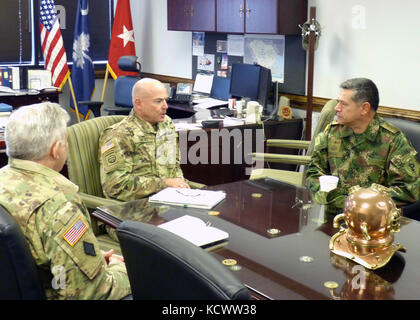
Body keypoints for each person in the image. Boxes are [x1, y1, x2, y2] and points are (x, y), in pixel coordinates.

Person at [0, 102, 131, 300]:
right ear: (56, 149)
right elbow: (88, 293)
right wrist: (122, 269)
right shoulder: (60, 205)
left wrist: (94, 263)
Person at [306, 78, 420, 211]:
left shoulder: (393, 140)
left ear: (364, 108)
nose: (336, 108)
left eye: (343, 104)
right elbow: (313, 171)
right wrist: (329, 195)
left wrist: (359, 201)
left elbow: (409, 190)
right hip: (332, 213)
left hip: (373, 218)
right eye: (338, 102)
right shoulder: (333, 132)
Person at [99, 78, 192, 201]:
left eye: (165, 100)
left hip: (171, 200)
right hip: (137, 208)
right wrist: (164, 184)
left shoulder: (166, 124)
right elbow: (115, 186)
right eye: (158, 101)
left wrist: (182, 187)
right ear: (138, 103)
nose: (165, 106)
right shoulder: (118, 135)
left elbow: (174, 169)